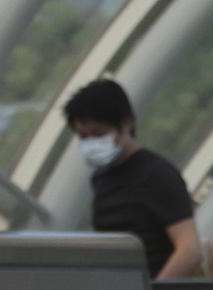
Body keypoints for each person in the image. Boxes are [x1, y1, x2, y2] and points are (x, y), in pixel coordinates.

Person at [65, 78, 201, 279]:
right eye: (83, 137)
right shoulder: (101, 179)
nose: (91, 143)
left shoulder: (157, 175)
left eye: (98, 133)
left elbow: (189, 249)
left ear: (126, 124)